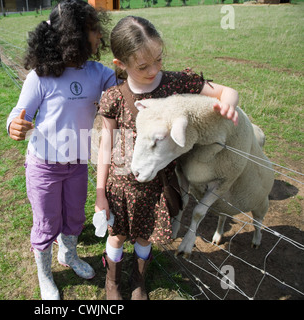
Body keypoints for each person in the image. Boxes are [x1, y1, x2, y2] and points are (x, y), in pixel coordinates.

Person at [95, 16, 239, 300]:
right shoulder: (114, 97)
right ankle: (112, 283)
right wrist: (100, 192)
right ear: (120, 64)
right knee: (117, 235)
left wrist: (228, 105)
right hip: (120, 185)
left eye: (158, 59)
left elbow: (227, 91)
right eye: (143, 66)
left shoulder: (175, 83)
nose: (154, 70)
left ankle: (138, 281)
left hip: (157, 183)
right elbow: (105, 145)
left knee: (144, 235)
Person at [6, 0, 117, 300]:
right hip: (44, 166)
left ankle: (68, 255)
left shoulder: (99, 73)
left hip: (78, 164)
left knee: (73, 218)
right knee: (46, 222)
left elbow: (122, 92)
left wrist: (128, 72)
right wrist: (14, 126)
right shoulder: (40, 76)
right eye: (93, 30)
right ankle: (45, 275)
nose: (99, 37)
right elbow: (17, 115)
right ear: (74, 36)